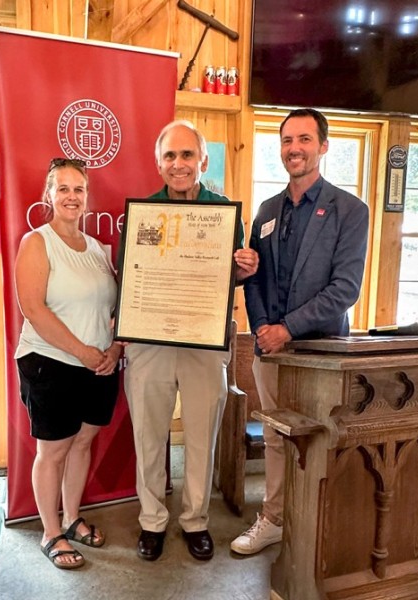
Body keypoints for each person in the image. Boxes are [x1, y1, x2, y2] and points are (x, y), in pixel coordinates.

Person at [230, 108, 369, 555]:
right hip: (270, 348)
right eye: (288, 140)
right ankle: (272, 518)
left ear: (323, 147)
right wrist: (261, 331)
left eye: (305, 139)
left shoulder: (351, 211)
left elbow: (344, 289)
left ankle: (315, 528)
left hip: (323, 351)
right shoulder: (267, 212)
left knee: (320, 440)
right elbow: (253, 277)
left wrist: (286, 329)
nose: (295, 148)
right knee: (274, 436)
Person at [124, 120, 259, 562]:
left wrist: (243, 268)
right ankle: (152, 521)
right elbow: (132, 279)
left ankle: (196, 521)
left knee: (202, 434)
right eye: (169, 156)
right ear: (158, 162)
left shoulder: (224, 214)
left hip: (204, 340)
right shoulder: (142, 214)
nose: (178, 164)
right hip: (152, 341)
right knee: (148, 433)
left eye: (187, 155)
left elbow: (227, 280)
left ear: (202, 160)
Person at [14, 157, 121, 570]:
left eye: (78, 189)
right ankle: (51, 531)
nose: (71, 197)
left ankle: (72, 517)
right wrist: (83, 352)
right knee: (53, 450)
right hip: (51, 361)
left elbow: (112, 308)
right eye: (63, 189)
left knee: (82, 443)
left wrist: (113, 349)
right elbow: (34, 309)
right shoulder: (36, 242)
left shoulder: (95, 248)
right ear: (49, 195)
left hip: (99, 364)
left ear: (87, 198)